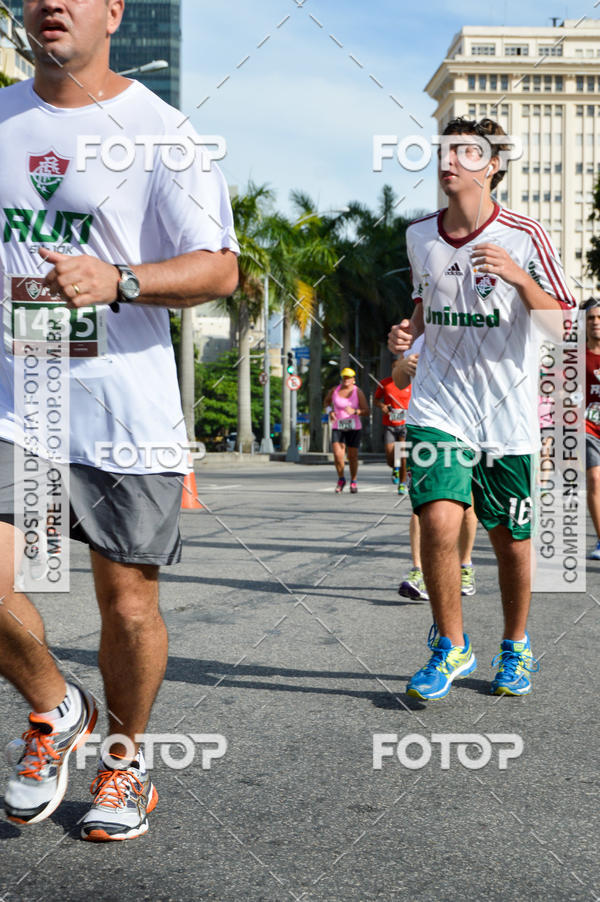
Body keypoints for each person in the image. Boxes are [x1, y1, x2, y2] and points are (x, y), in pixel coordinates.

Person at [0, 0, 238, 840]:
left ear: (114, 11)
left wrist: (121, 281)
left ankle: (127, 760)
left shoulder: (163, 131)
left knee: (127, 606)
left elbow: (221, 267)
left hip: (123, 407)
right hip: (14, 400)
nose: (50, 2)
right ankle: (56, 705)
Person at [388, 116, 575, 699]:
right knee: (439, 518)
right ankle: (451, 645)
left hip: (507, 414)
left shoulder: (525, 235)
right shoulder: (420, 235)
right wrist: (407, 333)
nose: (449, 162)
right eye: (444, 152)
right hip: (438, 406)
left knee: (510, 540)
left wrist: (520, 278)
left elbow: (562, 326)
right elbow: (423, 300)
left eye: (465, 152)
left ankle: (516, 647)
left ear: (492, 165)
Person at [393, 351, 478, 600]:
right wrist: (403, 364)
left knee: (467, 504)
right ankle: (419, 570)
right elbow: (398, 379)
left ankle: (465, 566)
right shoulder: (424, 326)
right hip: (429, 426)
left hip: (471, 426)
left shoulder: (476, 326)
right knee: (422, 504)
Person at [324, 367, 369, 493]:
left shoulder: (357, 392)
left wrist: (355, 411)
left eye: (349, 377)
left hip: (354, 427)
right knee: (338, 456)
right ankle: (341, 479)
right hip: (338, 426)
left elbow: (366, 410)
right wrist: (330, 412)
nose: (346, 380)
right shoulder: (334, 390)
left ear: (353, 379)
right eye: (344, 377)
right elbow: (326, 403)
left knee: (352, 456)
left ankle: (353, 480)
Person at [583, 298, 600, 559]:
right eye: (591, 319)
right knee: (596, 479)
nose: (596, 323)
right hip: (587, 425)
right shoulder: (574, 354)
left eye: (599, 319)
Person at [374, 375, 410, 492]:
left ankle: (402, 483)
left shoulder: (411, 382)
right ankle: (395, 467)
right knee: (390, 456)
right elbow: (376, 400)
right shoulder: (385, 383)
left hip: (405, 424)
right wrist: (383, 406)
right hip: (390, 424)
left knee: (403, 454)